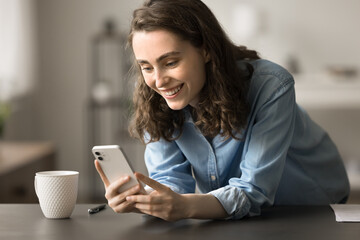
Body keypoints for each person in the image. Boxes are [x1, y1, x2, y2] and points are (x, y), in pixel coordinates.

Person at [95, 0, 350, 221]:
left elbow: (253, 190)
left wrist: (184, 206)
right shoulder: (156, 97)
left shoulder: (272, 86)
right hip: (241, 215)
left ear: (206, 49)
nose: (159, 81)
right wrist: (145, 200)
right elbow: (171, 183)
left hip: (311, 206)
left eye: (170, 62)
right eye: (147, 67)